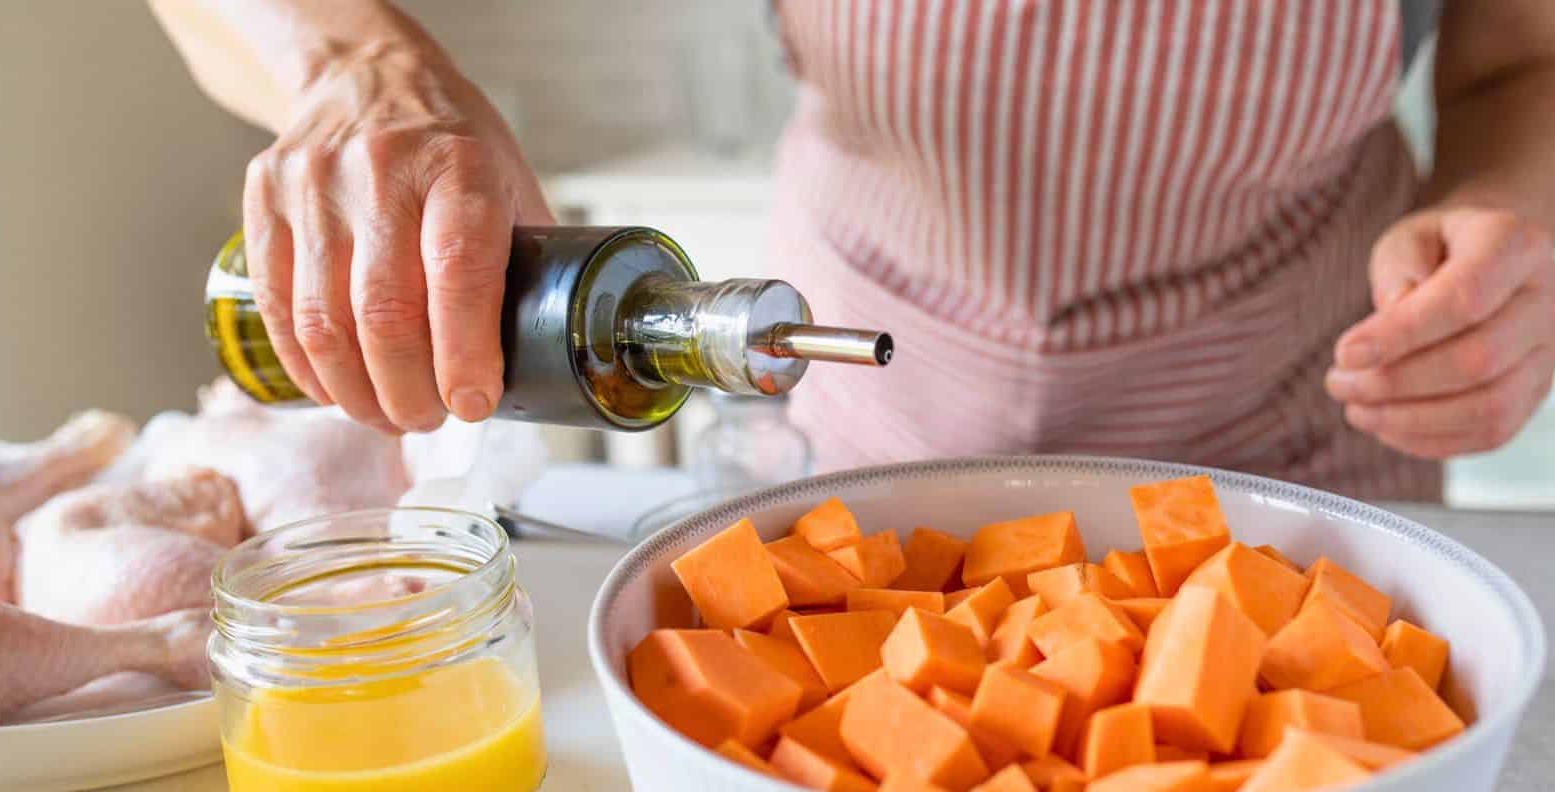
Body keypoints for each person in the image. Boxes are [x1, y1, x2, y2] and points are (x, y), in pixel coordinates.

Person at [150, 1, 1555, 500]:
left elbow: (1521, 63)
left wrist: (1514, 216)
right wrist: (348, 62)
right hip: (873, 435)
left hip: (1295, 434)